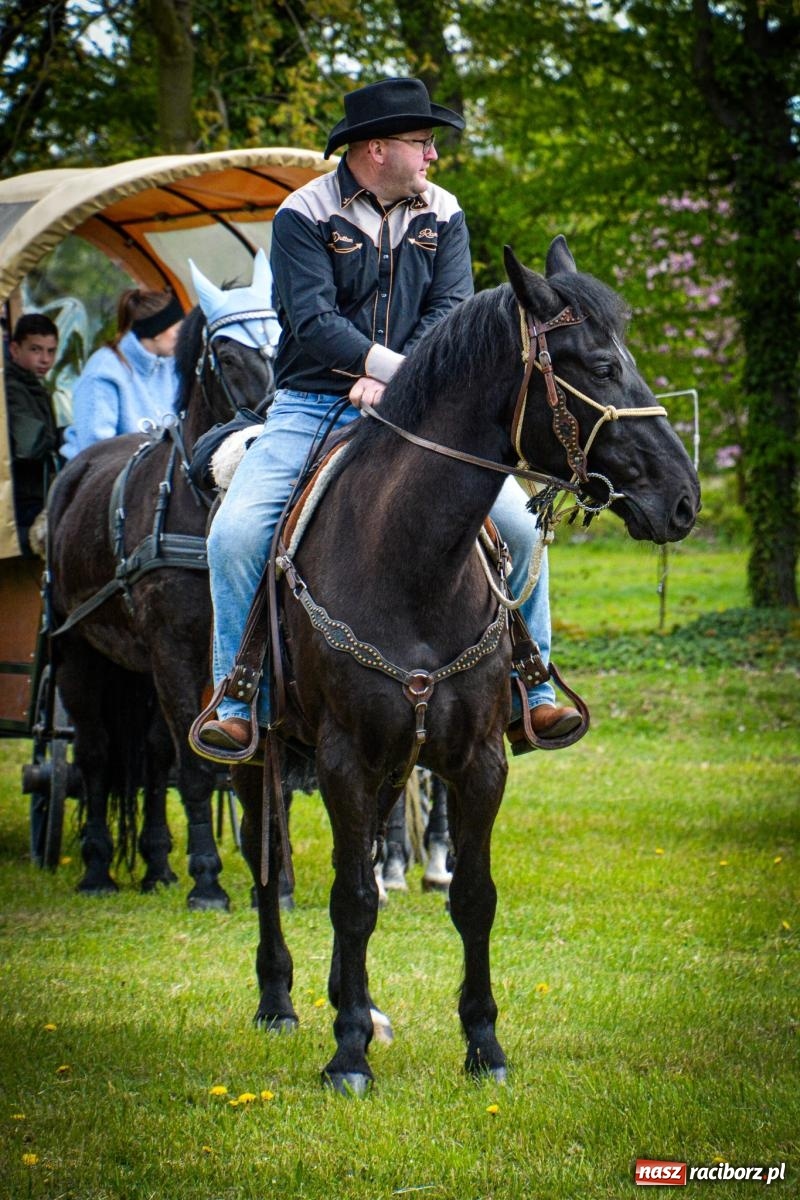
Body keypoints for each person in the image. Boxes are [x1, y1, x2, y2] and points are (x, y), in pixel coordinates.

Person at [196, 76, 580, 760]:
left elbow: (449, 315)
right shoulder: (301, 214)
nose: (432, 157)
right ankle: (238, 697)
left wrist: (401, 387)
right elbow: (312, 324)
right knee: (233, 534)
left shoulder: (444, 211)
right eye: (423, 143)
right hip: (311, 403)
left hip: (422, 407)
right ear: (377, 148)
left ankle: (533, 687)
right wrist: (384, 373)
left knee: (520, 527)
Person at [61, 288, 184, 460]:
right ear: (157, 332)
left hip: (158, 471)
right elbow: (96, 448)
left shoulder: (170, 364)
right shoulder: (103, 370)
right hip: (105, 474)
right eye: (178, 331)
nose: (183, 336)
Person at [5, 313, 61, 554]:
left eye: (51, 351)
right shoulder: (10, 387)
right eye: (36, 350)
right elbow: (29, 444)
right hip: (20, 502)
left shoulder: (32, 385)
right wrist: (63, 438)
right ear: (15, 349)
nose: (45, 359)